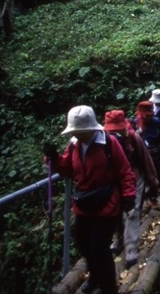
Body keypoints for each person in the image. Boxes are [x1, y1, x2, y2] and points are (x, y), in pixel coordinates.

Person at [43, 106, 136, 294]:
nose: (77, 134)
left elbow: (125, 171)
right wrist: (54, 158)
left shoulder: (108, 143)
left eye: (79, 131)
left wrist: (128, 195)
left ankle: (108, 286)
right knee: (82, 243)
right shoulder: (74, 145)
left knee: (99, 246)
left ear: (90, 129)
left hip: (107, 202)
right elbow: (68, 169)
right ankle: (95, 276)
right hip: (84, 203)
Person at [103, 109, 158, 270]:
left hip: (134, 178)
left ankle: (131, 251)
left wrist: (153, 182)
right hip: (112, 181)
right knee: (115, 212)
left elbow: (146, 161)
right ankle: (120, 239)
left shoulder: (134, 138)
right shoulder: (104, 141)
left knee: (132, 212)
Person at [134, 101, 160, 207]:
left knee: (156, 178)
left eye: (149, 116)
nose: (147, 118)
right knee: (143, 179)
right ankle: (142, 201)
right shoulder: (134, 123)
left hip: (157, 154)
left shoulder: (157, 122)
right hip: (142, 156)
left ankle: (153, 197)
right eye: (145, 116)